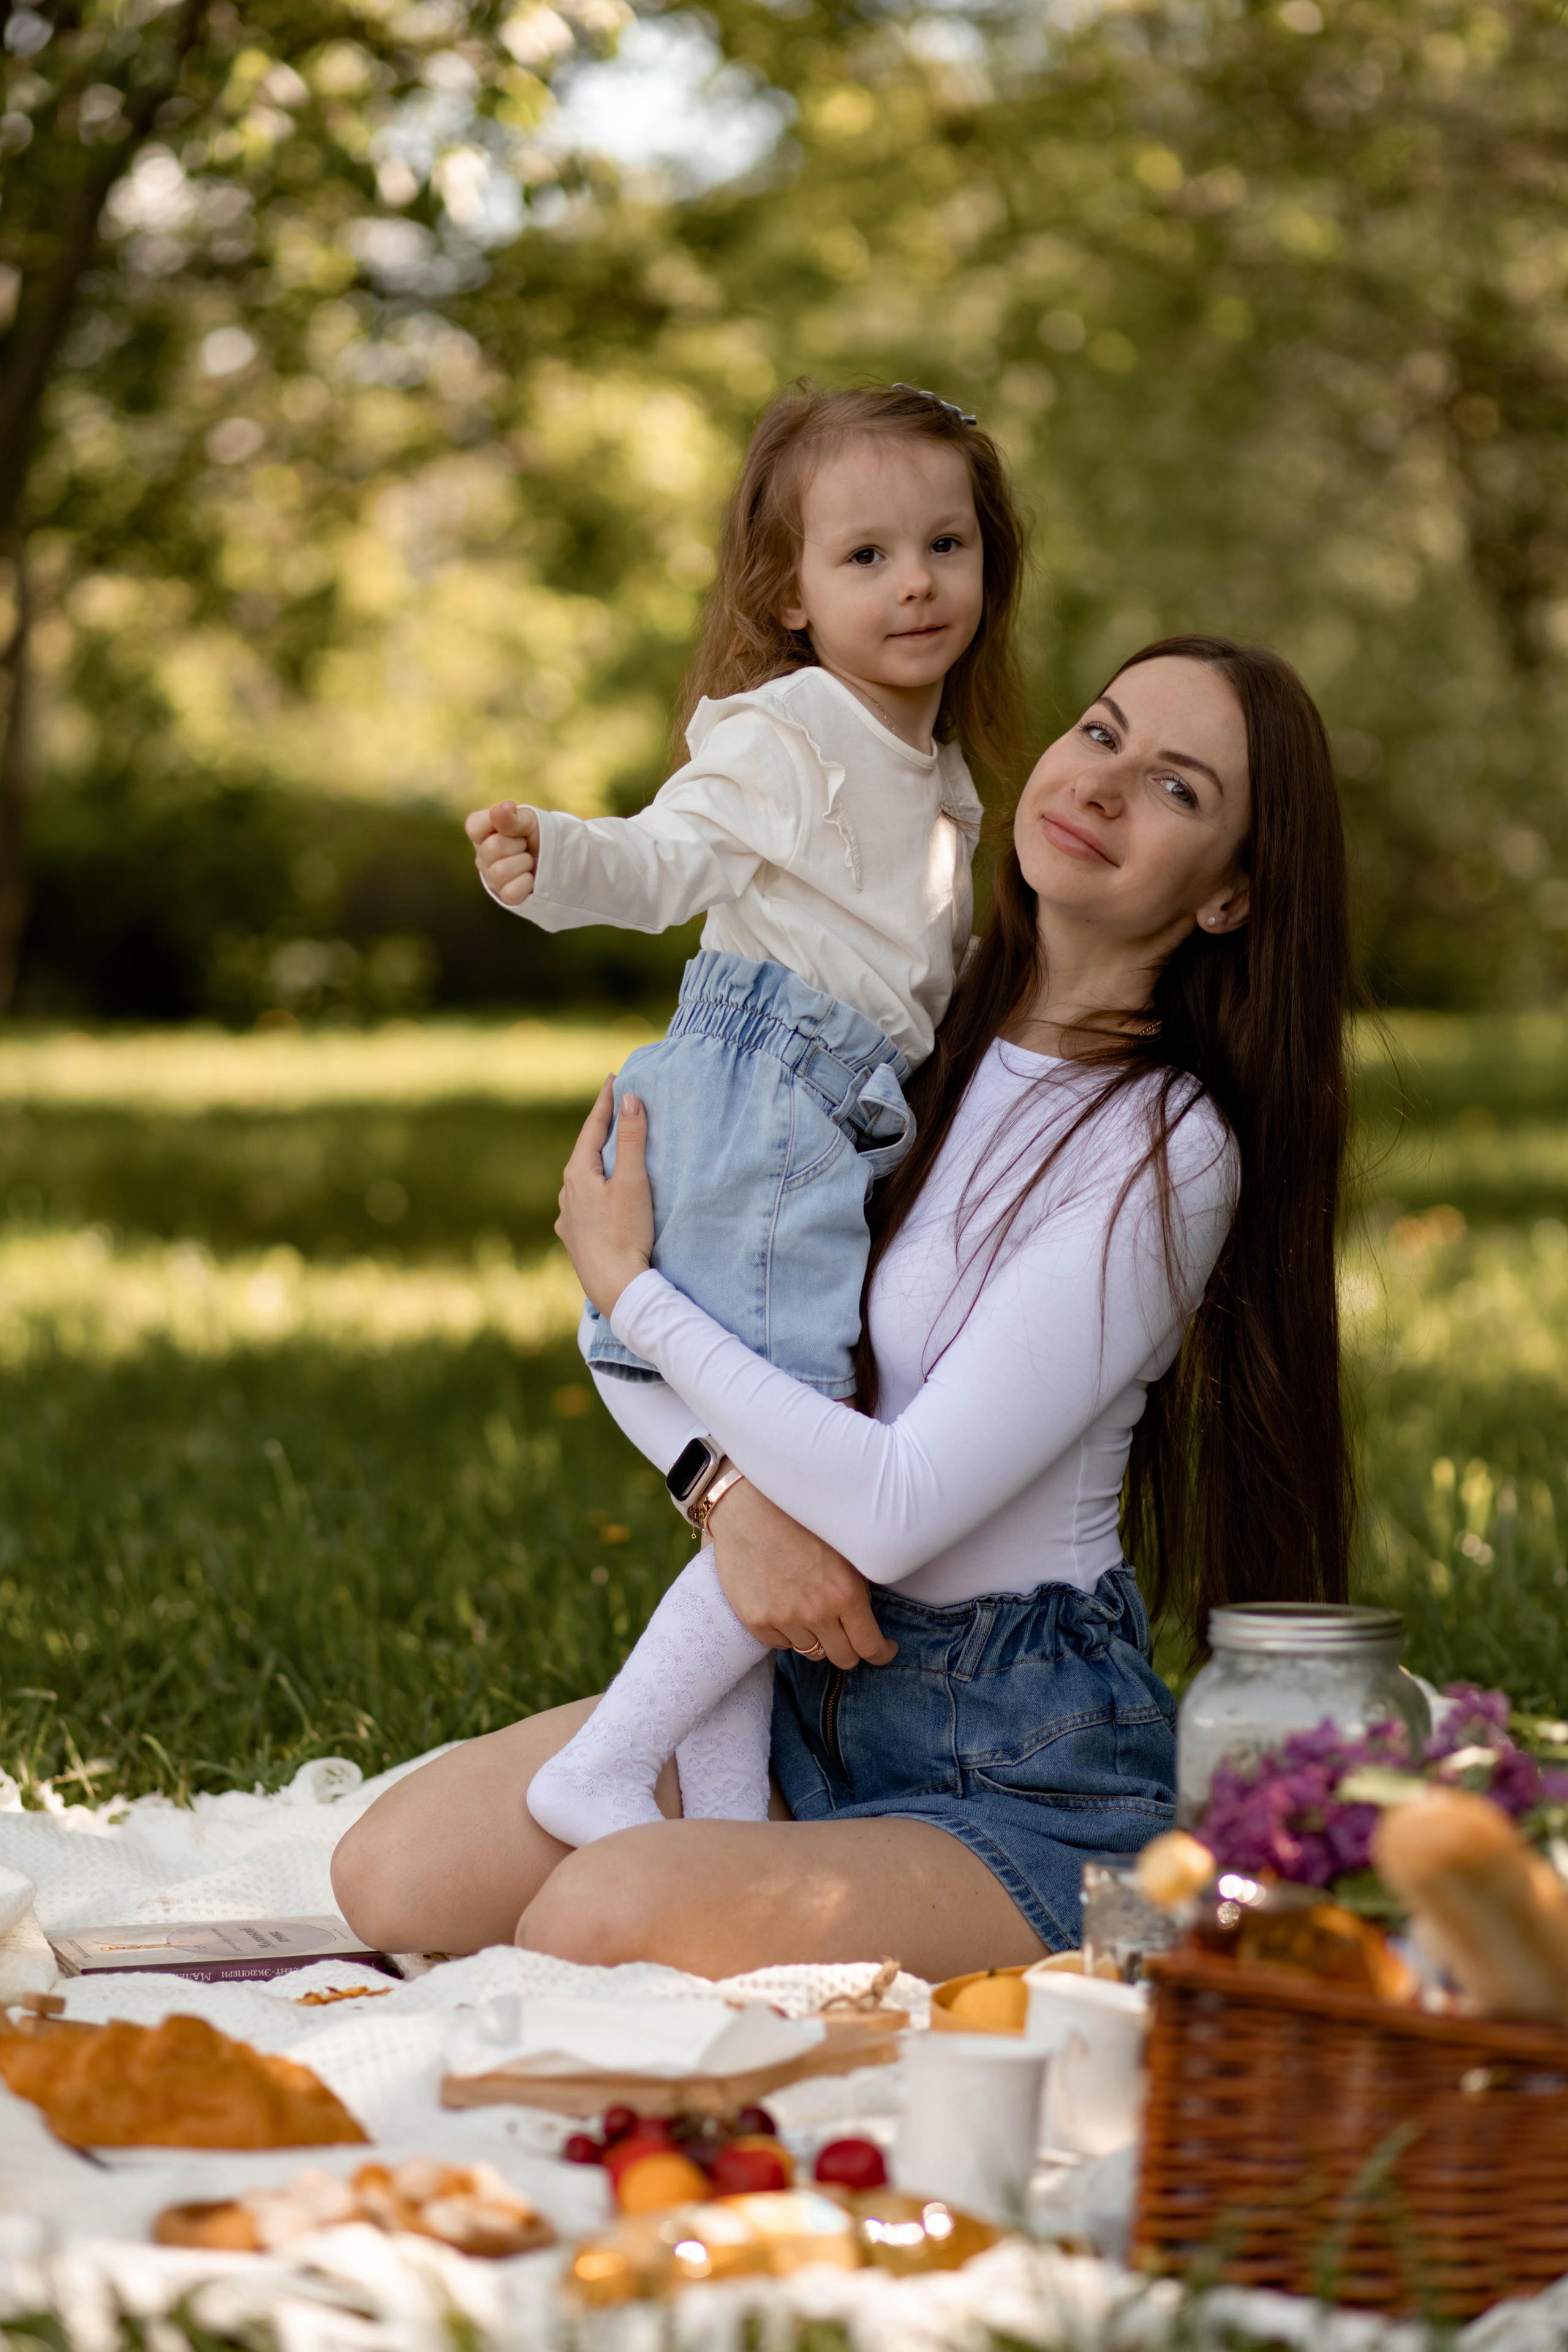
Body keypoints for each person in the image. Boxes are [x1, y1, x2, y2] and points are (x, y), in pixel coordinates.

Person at [332, 634, 1354, 1985]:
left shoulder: (1165, 1149)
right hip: (798, 1674)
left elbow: (889, 1505)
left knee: (599, 1916)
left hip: (1016, 1759)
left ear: (1227, 896)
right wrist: (720, 1497)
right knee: (390, 1876)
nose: (1101, 787)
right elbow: (744, 1324)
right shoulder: (899, 1023)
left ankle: (1011, 1898)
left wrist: (629, 1290)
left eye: (1176, 789)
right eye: (1099, 733)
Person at [462, 381, 1027, 1849]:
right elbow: (668, 857)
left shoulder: (940, 771)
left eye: (944, 545)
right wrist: (559, 859)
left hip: (817, 1118)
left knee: (775, 1468)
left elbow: (916, 969)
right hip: (759, 1100)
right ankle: (606, 1767)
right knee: (799, 1472)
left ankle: (721, 1822)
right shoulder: (787, 731)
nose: (913, 582)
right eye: (863, 558)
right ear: (787, 594)